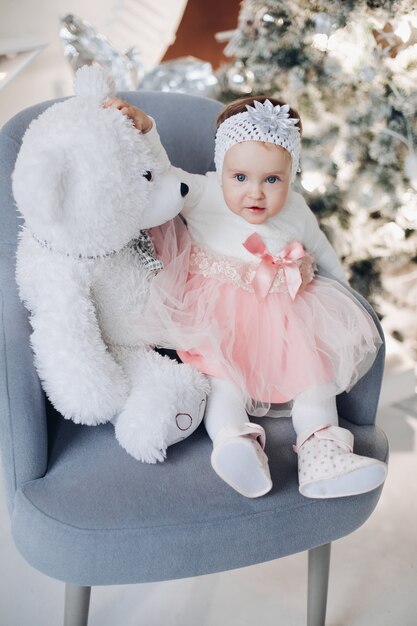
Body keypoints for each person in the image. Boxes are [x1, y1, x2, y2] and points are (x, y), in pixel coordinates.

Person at [105, 95, 387, 499]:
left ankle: (322, 451)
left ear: (291, 176)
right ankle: (235, 445)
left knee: (315, 379)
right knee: (222, 383)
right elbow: (162, 170)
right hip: (218, 316)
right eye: (240, 178)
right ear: (222, 169)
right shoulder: (205, 192)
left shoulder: (297, 210)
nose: (255, 192)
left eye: (272, 180)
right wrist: (147, 129)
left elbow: (322, 252)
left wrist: (346, 296)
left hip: (289, 315)